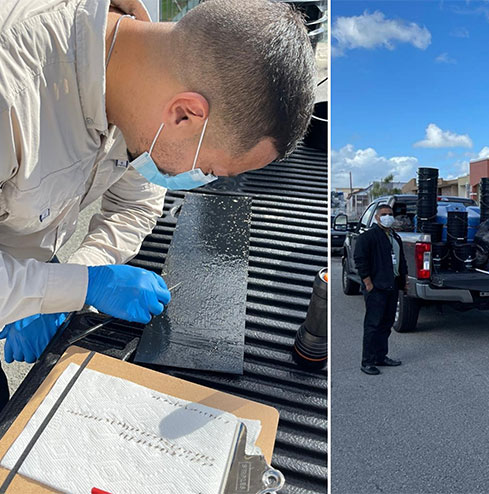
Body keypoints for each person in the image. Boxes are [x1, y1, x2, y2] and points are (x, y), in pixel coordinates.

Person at [0, 0, 315, 407]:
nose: (202, 179)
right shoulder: (12, 94)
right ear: (185, 114)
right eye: (209, 168)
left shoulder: (141, 80)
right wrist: (71, 287)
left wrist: (73, 277)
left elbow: (136, 205)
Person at [353, 204, 408, 375]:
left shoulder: (395, 237)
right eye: (384, 214)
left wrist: (404, 281)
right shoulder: (369, 237)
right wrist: (368, 283)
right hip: (376, 287)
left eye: (390, 214)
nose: (387, 217)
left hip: (392, 286)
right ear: (377, 217)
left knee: (386, 324)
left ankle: (380, 356)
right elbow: (360, 259)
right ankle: (367, 361)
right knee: (373, 325)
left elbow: (401, 260)